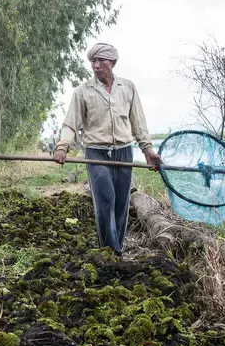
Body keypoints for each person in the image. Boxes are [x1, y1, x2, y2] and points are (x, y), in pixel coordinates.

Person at [53, 43, 163, 256]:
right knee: (106, 197)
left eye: (100, 61)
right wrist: (62, 147)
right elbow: (71, 124)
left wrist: (148, 151)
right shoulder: (82, 92)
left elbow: (138, 121)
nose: (95, 65)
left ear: (112, 63)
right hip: (96, 152)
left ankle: (116, 246)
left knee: (121, 201)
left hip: (123, 151)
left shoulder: (128, 88)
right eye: (93, 61)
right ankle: (110, 250)